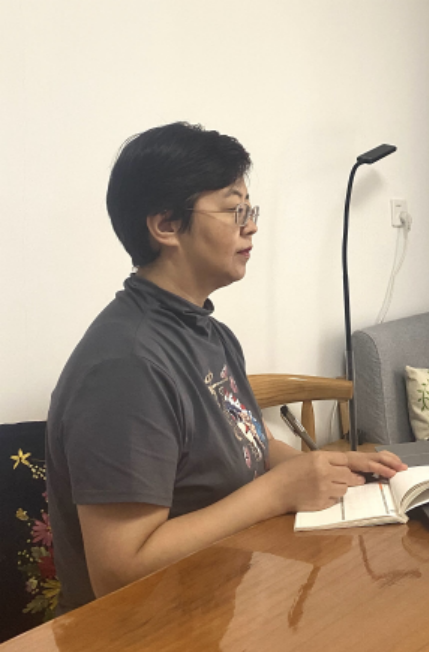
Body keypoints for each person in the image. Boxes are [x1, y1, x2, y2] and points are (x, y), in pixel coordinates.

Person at [45, 122, 407, 616]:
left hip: (213, 604)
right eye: (234, 209)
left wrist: (328, 470)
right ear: (166, 225)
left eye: (250, 210)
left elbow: (251, 442)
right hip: (137, 636)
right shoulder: (126, 366)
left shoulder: (208, 333)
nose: (251, 225)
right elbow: (118, 572)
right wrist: (276, 492)